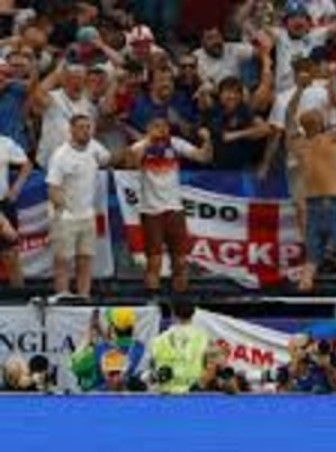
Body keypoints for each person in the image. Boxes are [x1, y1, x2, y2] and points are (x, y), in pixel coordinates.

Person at [285, 83, 336, 291]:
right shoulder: (332, 138)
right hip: (334, 203)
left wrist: (298, 91)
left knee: (312, 259)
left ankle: (302, 301)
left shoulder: (298, 145)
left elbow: (288, 116)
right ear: (322, 123)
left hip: (312, 205)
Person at [127, 116, 213, 293]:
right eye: (157, 126)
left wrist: (208, 140)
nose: (162, 129)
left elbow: (203, 157)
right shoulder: (140, 146)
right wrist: (149, 140)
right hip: (151, 211)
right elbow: (131, 164)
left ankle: (180, 301)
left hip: (175, 210)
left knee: (180, 261)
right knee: (154, 262)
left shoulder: (175, 144)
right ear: (149, 128)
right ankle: (154, 302)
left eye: (165, 126)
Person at [46, 114, 112, 298]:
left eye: (88, 127)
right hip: (65, 216)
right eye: (81, 127)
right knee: (63, 260)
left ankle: (84, 295)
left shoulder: (95, 147)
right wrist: (63, 211)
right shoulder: (61, 155)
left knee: (85, 258)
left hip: (87, 215)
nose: (85, 131)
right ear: (71, 130)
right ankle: (62, 295)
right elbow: (53, 188)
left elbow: (108, 159)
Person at [70, 307, 146, 392]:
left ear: (112, 328)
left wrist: (88, 334)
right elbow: (119, 348)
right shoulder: (140, 348)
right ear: (132, 326)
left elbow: (74, 364)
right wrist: (103, 335)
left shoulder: (97, 352)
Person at [149, 300, 210, 395]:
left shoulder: (158, 340)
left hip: (166, 395)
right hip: (193, 396)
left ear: (173, 314)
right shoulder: (204, 338)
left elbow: (152, 369)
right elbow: (209, 368)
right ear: (194, 313)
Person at [0, 134, 31, 288]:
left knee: (11, 255)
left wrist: (16, 189)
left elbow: (27, 164)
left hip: (4, 203)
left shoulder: (5, 143)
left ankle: (20, 301)